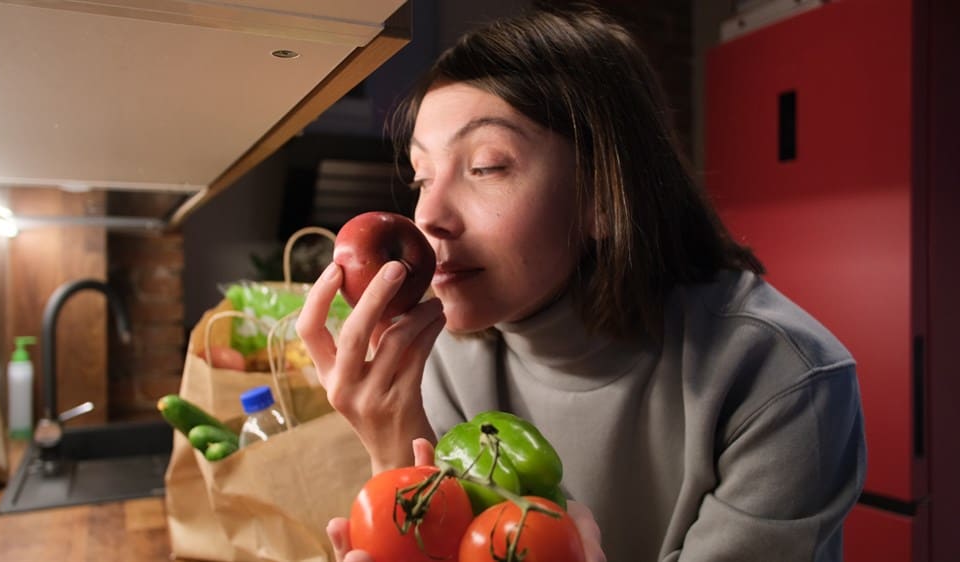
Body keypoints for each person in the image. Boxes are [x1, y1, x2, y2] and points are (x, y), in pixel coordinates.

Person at [296, 5, 866, 562]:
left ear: (603, 193)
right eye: (422, 176)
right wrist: (392, 444)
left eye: (487, 166)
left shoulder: (784, 379)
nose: (429, 218)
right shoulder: (438, 356)